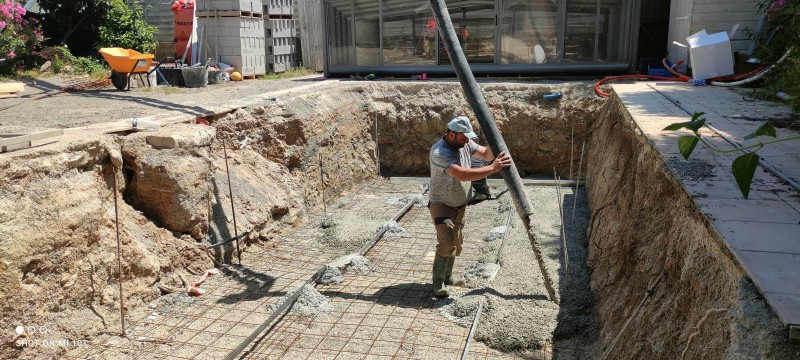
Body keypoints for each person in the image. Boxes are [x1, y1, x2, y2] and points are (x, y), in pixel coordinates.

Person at [428, 116, 512, 297]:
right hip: (441, 204)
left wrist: (493, 138)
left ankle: (448, 277)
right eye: (463, 137)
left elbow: (486, 155)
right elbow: (463, 174)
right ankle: (438, 282)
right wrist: (493, 168)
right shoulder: (440, 152)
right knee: (447, 241)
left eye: (468, 137)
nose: (467, 140)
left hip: (459, 203)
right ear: (451, 133)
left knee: (456, 242)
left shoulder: (464, 144)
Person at [469, 132, 492, 203]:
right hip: (476, 178)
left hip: (471, 177)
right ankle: (483, 193)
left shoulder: (466, 150)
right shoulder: (483, 151)